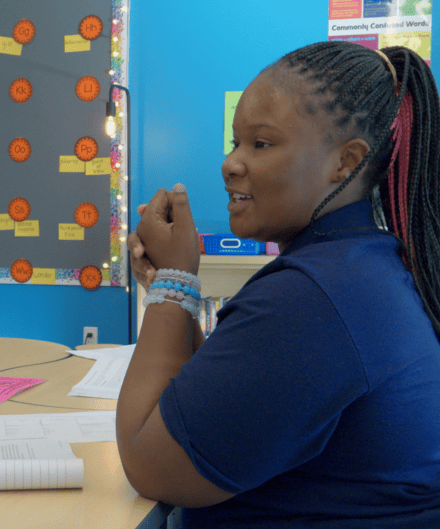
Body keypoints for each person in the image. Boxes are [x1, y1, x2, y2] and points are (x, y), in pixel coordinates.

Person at [116, 41, 440, 528]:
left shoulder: (315, 298)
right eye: (234, 142)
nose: (231, 163)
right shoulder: (362, 265)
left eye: (260, 144)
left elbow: (150, 463)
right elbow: (222, 396)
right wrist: (174, 293)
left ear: (345, 162)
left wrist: (172, 283)